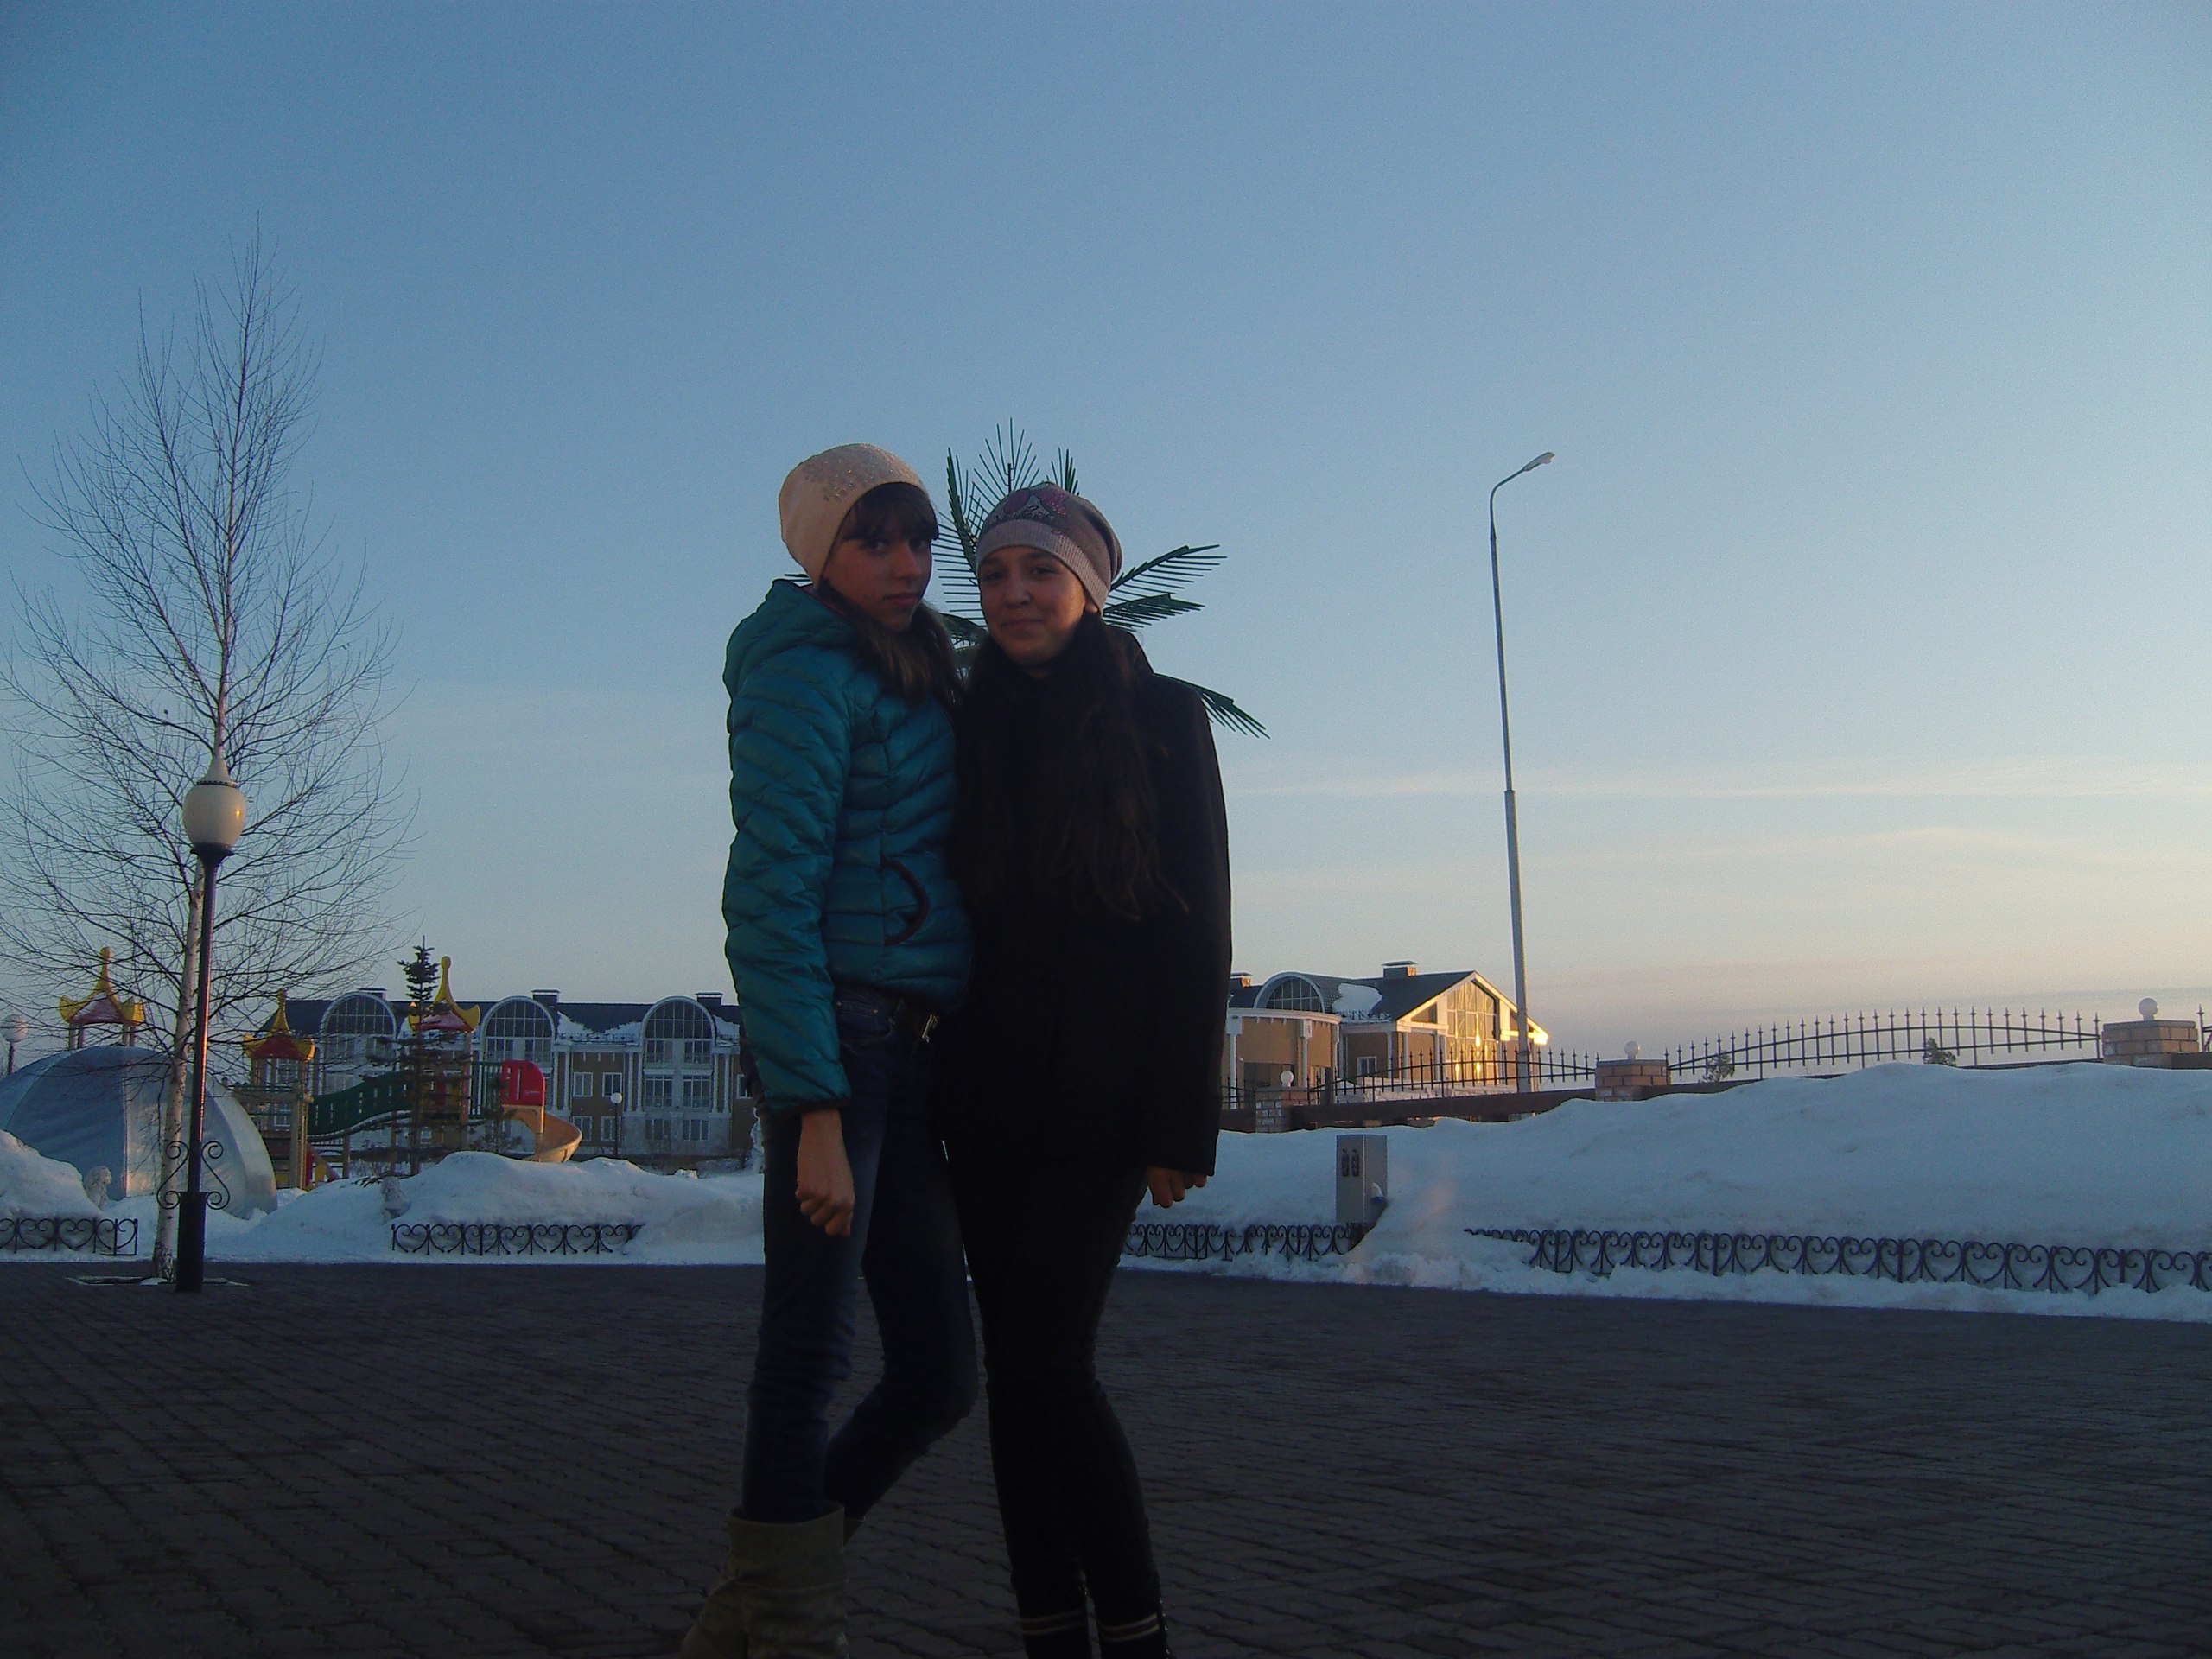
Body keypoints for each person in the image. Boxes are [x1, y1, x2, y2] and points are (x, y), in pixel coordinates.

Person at [687, 444, 975, 1659]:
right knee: (809, 1352)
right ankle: (785, 1629)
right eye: (875, 541)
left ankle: (757, 1610)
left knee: (940, 1373)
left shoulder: (914, 663)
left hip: (907, 1049)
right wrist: (809, 1107)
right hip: (841, 1052)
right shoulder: (806, 674)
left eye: (919, 540)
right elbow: (772, 894)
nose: (906, 565)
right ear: (821, 554)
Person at [935, 484, 1232, 1659]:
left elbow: (1198, 927)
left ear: (1090, 590)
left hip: (1104, 1108)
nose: (1013, 594)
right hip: (986, 1102)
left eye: (1039, 572)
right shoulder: (965, 720)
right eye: (995, 574)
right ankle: (1050, 1626)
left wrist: (1178, 1125)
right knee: (1014, 1379)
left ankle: (1136, 1626)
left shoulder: (1162, 718)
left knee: (1049, 1363)